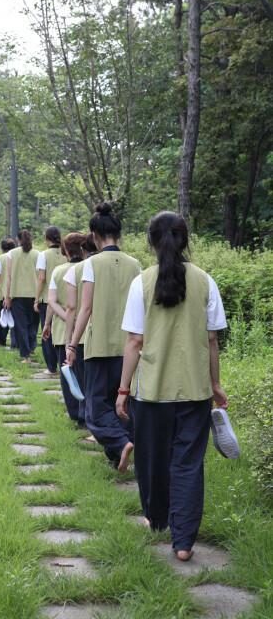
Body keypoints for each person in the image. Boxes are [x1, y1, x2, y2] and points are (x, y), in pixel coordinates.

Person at [116, 211, 228, 561]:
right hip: (195, 392)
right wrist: (215, 385)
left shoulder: (141, 283)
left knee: (152, 461)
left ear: (152, 242)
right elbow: (211, 340)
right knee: (189, 463)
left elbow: (135, 342)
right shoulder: (206, 281)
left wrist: (123, 390)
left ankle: (158, 520)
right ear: (185, 239)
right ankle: (183, 542)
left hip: (151, 392)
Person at [65, 202, 141, 472]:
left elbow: (85, 308)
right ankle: (117, 456)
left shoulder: (92, 263)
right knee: (121, 404)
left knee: (95, 411)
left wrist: (72, 344)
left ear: (94, 237)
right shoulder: (135, 264)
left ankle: (121, 445)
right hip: (130, 346)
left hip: (99, 346)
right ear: (118, 235)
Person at [42, 232, 85, 424]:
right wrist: (78, 319)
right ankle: (88, 413)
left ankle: (76, 415)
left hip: (63, 334)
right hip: (87, 332)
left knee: (68, 375)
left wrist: (48, 323)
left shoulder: (59, 272)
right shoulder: (89, 268)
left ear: (65, 250)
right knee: (87, 375)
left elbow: (51, 301)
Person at [64, 232, 98, 441]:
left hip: (84, 334)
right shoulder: (130, 265)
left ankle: (88, 420)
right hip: (114, 336)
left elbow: (72, 308)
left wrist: (70, 341)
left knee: (86, 382)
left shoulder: (77, 270)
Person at [3, 229, 40, 364]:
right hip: (35, 294)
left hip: (17, 294)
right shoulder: (38, 254)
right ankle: (31, 346)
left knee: (21, 325)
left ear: (17, 240)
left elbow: (9, 277)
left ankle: (26, 356)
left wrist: (7, 296)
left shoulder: (11, 254)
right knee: (34, 323)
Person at [34, 226, 65, 376]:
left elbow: (41, 279)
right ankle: (64, 364)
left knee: (47, 333)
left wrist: (36, 299)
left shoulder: (43, 255)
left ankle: (51, 367)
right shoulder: (66, 253)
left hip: (48, 300)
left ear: (46, 238)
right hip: (66, 299)